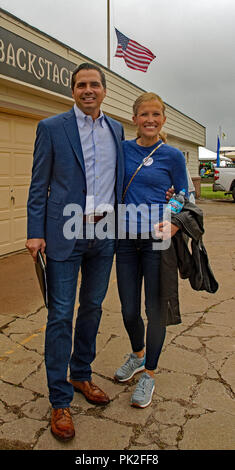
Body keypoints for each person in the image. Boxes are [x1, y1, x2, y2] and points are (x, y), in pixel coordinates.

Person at [26, 63, 125, 441]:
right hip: (64, 231)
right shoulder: (52, 128)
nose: (88, 90)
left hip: (104, 232)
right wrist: (35, 232)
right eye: (81, 85)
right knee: (60, 313)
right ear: (72, 91)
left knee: (94, 308)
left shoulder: (116, 129)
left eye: (94, 84)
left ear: (104, 90)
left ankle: (81, 374)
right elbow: (38, 185)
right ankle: (59, 398)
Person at [114, 92, 189, 408]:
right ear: (134, 119)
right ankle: (138, 355)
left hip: (159, 240)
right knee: (129, 308)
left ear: (163, 119)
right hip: (126, 240)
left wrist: (172, 219)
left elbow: (183, 193)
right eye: (144, 114)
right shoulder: (122, 150)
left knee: (155, 309)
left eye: (156, 114)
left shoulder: (172, 156)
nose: (150, 120)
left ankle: (150, 374)